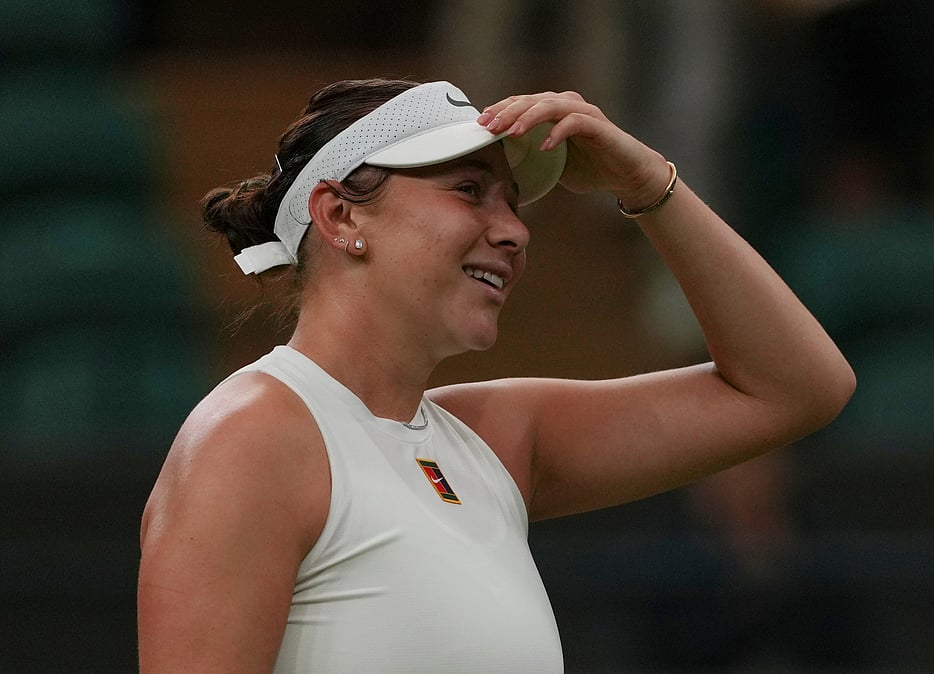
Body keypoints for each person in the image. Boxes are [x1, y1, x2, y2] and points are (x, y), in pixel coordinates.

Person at [136, 77, 855, 673]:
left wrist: (648, 184)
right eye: (469, 190)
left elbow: (797, 387)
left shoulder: (492, 440)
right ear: (339, 214)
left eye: (511, 199)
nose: (514, 229)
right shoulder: (250, 440)